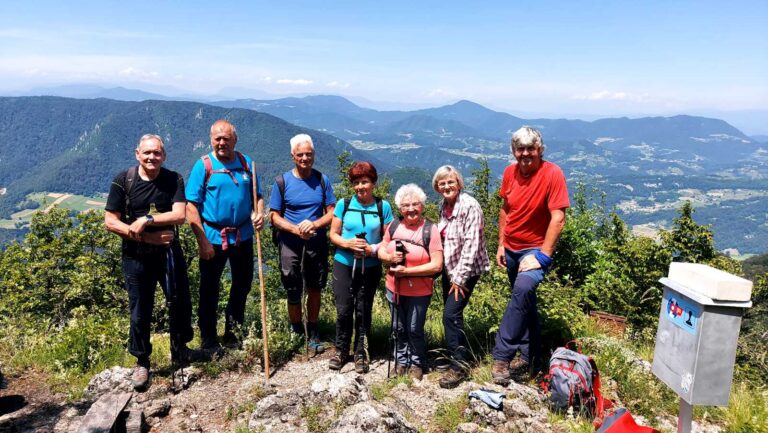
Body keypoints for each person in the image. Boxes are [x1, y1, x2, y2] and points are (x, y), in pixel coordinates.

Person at [104, 134, 195, 390]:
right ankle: (142, 361)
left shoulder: (173, 179)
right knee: (140, 309)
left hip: (168, 253)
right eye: (147, 153)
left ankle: (181, 348)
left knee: (179, 301)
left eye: (156, 153)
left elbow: (179, 215)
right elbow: (110, 220)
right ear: (137, 154)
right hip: (136, 256)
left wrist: (149, 219)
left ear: (163, 156)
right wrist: (147, 238)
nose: (152, 157)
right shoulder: (124, 180)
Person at [491, 126, 569, 385]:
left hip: (535, 251)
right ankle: (532, 355)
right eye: (520, 149)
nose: (525, 154)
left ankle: (501, 356)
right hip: (512, 248)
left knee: (523, 290)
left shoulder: (552, 173)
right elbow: (505, 210)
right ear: (514, 151)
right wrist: (501, 244)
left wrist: (543, 256)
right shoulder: (509, 172)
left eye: (530, 149)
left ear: (540, 150)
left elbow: (558, 217)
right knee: (525, 302)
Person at [186, 120, 264, 353]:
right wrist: (202, 242)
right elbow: (191, 206)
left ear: (235, 140)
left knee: (242, 284)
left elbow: (257, 196)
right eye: (217, 138)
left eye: (226, 139)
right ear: (211, 140)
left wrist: (260, 212)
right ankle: (208, 340)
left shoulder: (247, 163)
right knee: (209, 288)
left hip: (243, 235)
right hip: (212, 236)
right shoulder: (204, 166)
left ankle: (233, 333)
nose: (221, 143)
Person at [269, 134, 336, 353]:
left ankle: (313, 329)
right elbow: (274, 216)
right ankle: (297, 329)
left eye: (308, 154)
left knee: (315, 286)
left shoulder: (322, 180)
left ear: (314, 154)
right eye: (300, 154)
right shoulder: (282, 182)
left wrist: (314, 225)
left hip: (315, 243)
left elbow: (333, 212)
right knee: (292, 286)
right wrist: (296, 229)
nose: (305, 158)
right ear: (293, 156)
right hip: (290, 243)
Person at [328, 162, 394, 373]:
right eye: (356, 183)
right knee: (344, 309)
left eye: (364, 182)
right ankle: (341, 350)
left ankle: (361, 352)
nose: (360, 187)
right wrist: (348, 244)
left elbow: (388, 239)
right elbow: (333, 234)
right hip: (343, 263)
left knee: (363, 309)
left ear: (373, 183)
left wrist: (371, 249)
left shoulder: (383, 207)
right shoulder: (344, 204)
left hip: (370, 265)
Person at [432, 165, 490, 388]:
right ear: (437, 187)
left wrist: (459, 278)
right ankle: (458, 354)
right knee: (453, 315)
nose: (446, 186)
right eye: (442, 183)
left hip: (465, 271)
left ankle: (459, 367)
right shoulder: (444, 206)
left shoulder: (470, 206)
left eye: (450, 182)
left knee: (450, 315)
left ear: (459, 183)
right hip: (449, 268)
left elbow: (472, 245)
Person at [378, 184, 443, 380]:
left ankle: (416, 362)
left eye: (415, 204)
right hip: (394, 287)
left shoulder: (430, 230)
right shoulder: (394, 226)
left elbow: (437, 265)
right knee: (398, 328)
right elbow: (381, 249)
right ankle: (401, 361)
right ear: (400, 208)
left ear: (422, 206)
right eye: (406, 205)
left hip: (419, 291)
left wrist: (407, 272)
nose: (411, 209)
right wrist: (388, 259)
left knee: (414, 328)